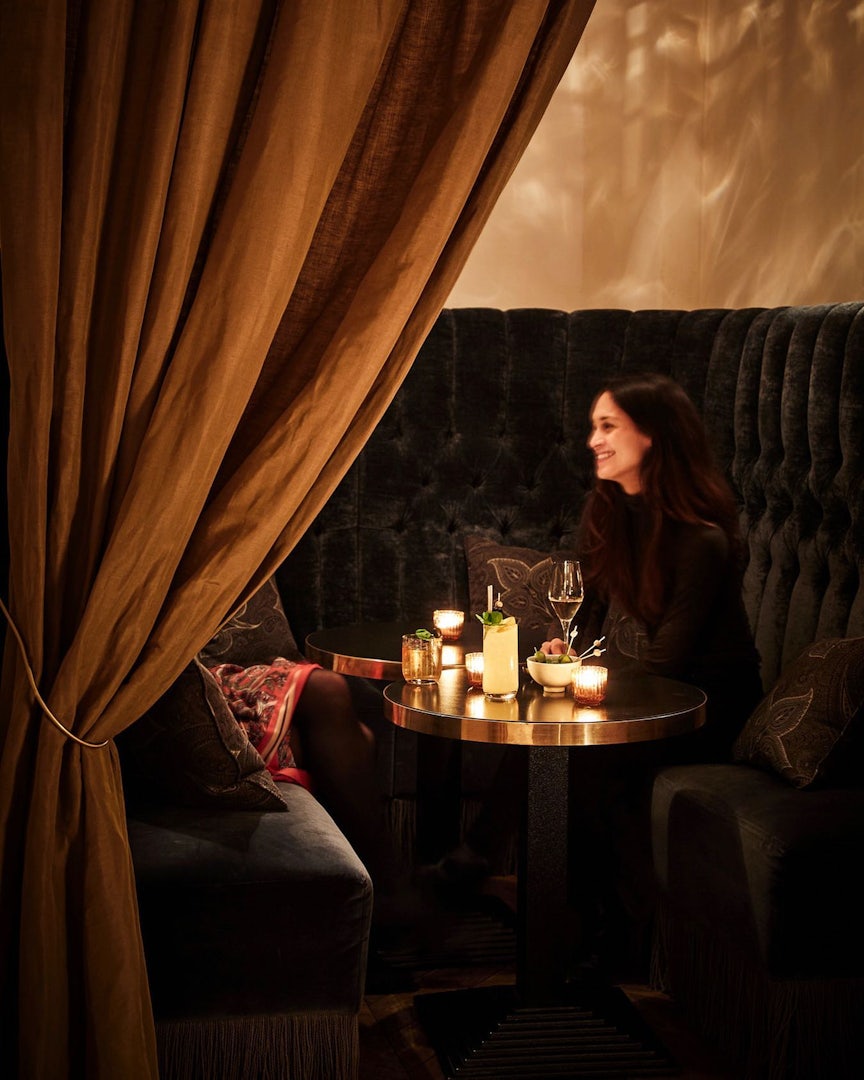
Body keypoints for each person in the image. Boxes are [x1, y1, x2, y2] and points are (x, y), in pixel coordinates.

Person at [427, 372, 763, 978]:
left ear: (653, 437)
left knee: (576, 751)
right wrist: (567, 647)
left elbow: (670, 667)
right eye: (594, 426)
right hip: (656, 691)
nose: (593, 440)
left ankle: (563, 917)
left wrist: (583, 671)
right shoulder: (611, 512)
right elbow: (595, 621)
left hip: (709, 709)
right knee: (542, 729)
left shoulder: (703, 541)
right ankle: (544, 911)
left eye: (608, 426)